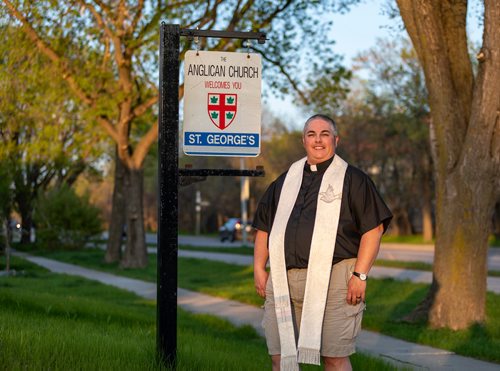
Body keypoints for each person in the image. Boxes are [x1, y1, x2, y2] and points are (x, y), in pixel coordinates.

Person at [253, 114, 392, 371]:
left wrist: (360, 275)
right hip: (284, 280)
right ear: (303, 140)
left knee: (334, 357)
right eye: (311, 134)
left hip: (335, 279)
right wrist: (259, 267)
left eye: (325, 134)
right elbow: (264, 227)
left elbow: (374, 229)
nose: (318, 140)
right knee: (281, 357)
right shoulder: (285, 181)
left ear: (335, 140)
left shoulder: (353, 179)